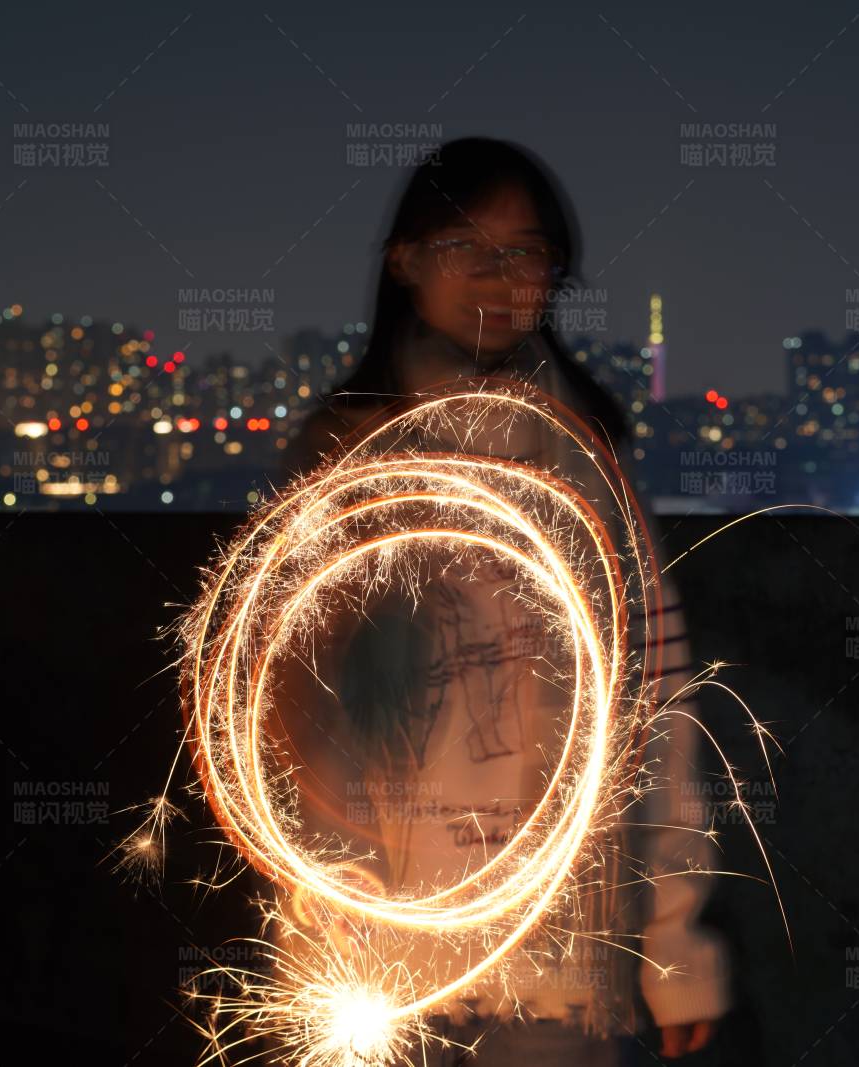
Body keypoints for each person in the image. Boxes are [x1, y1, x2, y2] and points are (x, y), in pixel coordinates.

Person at [282, 137, 728, 1065]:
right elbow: (297, 709)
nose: (498, 274)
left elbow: (657, 696)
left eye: (524, 251)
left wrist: (675, 944)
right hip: (385, 949)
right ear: (405, 261)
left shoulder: (586, 464)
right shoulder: (351, 457)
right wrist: (322, 928)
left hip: (562, 960)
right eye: (464, 246)